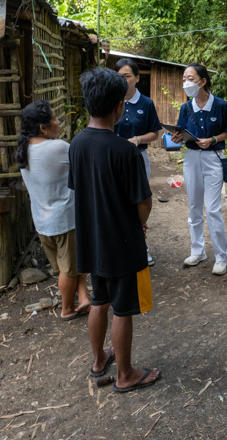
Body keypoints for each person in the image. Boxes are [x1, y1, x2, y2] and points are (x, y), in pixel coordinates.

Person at [69, 67, 160, 392]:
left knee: (99, 300)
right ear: (119, 106)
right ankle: (125, 374)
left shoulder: (76, 144)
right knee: (123, 309)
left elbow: (79, 189)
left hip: (92, 240)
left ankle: (98, 360)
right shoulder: (125, 151)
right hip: (122, 243)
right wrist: (140, 225)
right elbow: (143, 202)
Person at [16, 100, 90, 322]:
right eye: (55, 119)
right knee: (69, 269)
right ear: (43, 128)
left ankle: (83, 297)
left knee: (67, 266)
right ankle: (67, 309)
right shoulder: (57, 147)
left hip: (42, 222)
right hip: (65, 220)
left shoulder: (24, 149)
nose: (58, 123)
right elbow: (84, 167)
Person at [170, 63, 227, 276]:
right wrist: (177, 137)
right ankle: (198, 251)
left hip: (213, 158)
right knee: (194, 207)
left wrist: (213, 139)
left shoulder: (220, 105)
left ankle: (221, 256)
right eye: (184, 79)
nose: (185, 82)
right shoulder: (185, 108)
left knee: (213, 209)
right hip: (191, 159)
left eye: (190, 78)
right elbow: (180, 131)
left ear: (203, 81)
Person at [115, 58, 163, 266]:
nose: (123, 80)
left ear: (136, 77)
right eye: (119, 77)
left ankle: (142, 248)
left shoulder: (146, 103)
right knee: (117, 202)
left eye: (126, 76)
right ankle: (118, 249)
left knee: (139, 202)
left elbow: (155, 133)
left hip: (138, 158)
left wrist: (137, 139)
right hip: (114, 159)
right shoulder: (111, 100)